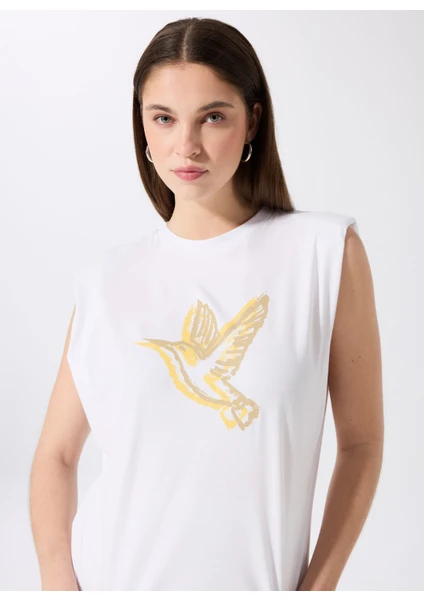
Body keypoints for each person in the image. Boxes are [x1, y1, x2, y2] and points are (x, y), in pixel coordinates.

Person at [29, 17, 384, 591]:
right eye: (163, 118)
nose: (186, 146)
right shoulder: (106, 281)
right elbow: (56, 456)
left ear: (253, 121)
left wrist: (317, 589)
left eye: (212, 117)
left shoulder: (323, 253)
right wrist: (55, 581)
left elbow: (362, 443)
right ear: (142, 126)